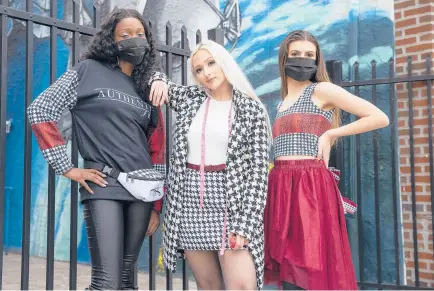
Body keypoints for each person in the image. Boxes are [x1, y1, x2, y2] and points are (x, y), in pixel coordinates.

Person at [27, 9, 167, 290]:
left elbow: (156, 148)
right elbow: (40, 110)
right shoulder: (87, 71)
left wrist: (156, 205)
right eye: (125, 35)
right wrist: (67, 167)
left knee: (127, 281)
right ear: (111, 41)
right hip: (104, 184)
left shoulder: (146, 87)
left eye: (140, 35)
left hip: (142, 189)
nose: (134, 40)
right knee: (106, 282)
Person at [264, 30, 390, 290]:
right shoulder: (282, 101)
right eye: (296, 54)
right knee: (288, 271)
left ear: (317, 60)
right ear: (284, 58)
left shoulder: (322, 89)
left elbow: (378, 117)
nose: (303, 59)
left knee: (309, 267)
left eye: (309, 55)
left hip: (309, 186)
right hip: (281, 186)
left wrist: (332, 133)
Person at [148, 40, 271, 290]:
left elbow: (258, 173)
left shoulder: (251, 109)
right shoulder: (190, 98)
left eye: (211, 63)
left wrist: (246, 224)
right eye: (199, 70)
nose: (206, 73)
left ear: (224, 62)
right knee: (208, 286)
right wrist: (159, 79)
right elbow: (153, 74)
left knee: (242, 287)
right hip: (190, 203)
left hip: (232, 205)